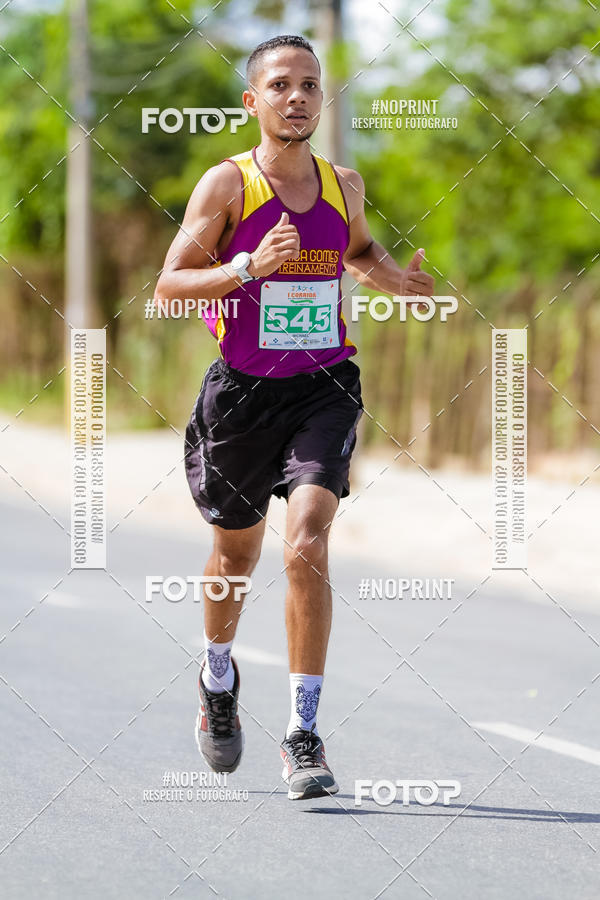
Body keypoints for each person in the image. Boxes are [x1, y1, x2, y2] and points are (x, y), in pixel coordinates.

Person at [154, 34, 434, 801]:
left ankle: (303, 734)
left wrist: (395, 281)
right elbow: (170, 286)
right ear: (254, 101)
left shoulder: (345, 183)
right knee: (234, 559)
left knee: (308, 539)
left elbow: (363, 250)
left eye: (310, 84)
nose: (299, 97)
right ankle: (217, 677)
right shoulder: (227, 186)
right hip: (242, 395)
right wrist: (247, 265)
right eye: (281, 85)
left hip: (324, 386)